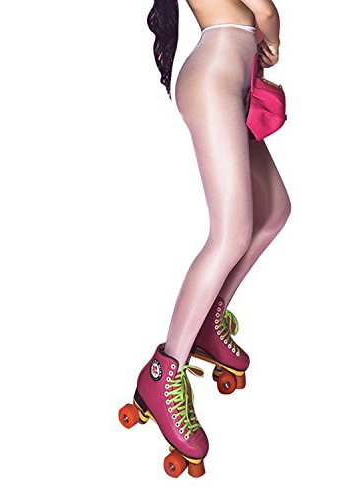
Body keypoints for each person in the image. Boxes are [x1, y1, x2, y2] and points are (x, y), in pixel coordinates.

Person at [118, 0, 291, 478]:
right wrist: (274, 42)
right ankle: (165, 371)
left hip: (230, 76)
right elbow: (263, 10)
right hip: (216, 77)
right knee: (229, 235)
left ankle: (209, 323)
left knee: (274, 211)